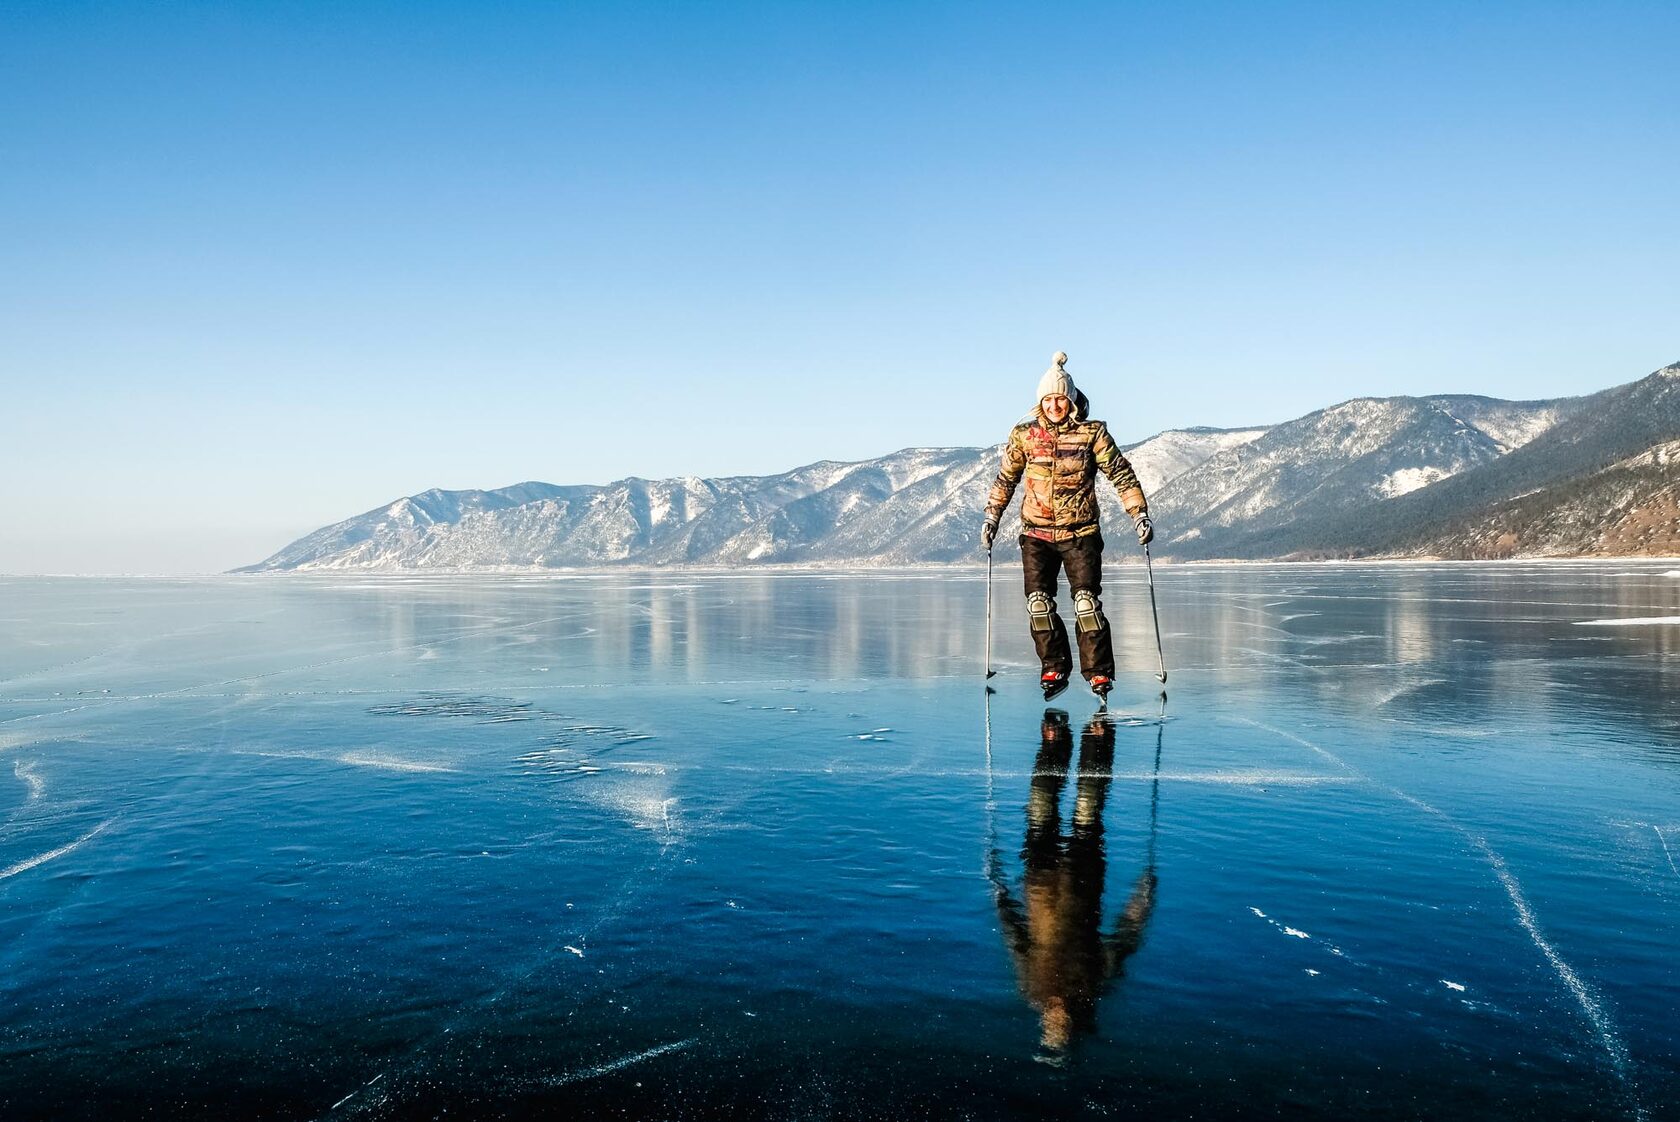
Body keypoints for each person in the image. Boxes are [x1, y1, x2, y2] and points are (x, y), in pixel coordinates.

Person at [982, 352, 1152, 701]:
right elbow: (1005, 479)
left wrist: (1138, 513)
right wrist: (991, 517)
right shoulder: (1024, 436)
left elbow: (1120, 473)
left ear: (1071, 399)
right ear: (1039, 402)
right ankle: (1054, 666)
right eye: (1048, 399)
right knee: (1039, 606)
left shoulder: (1092, 434)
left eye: (1060, 398)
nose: (1054, 405)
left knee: (1086, 605)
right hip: (1036, 534)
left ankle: (1099, 674)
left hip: (1081, 535)